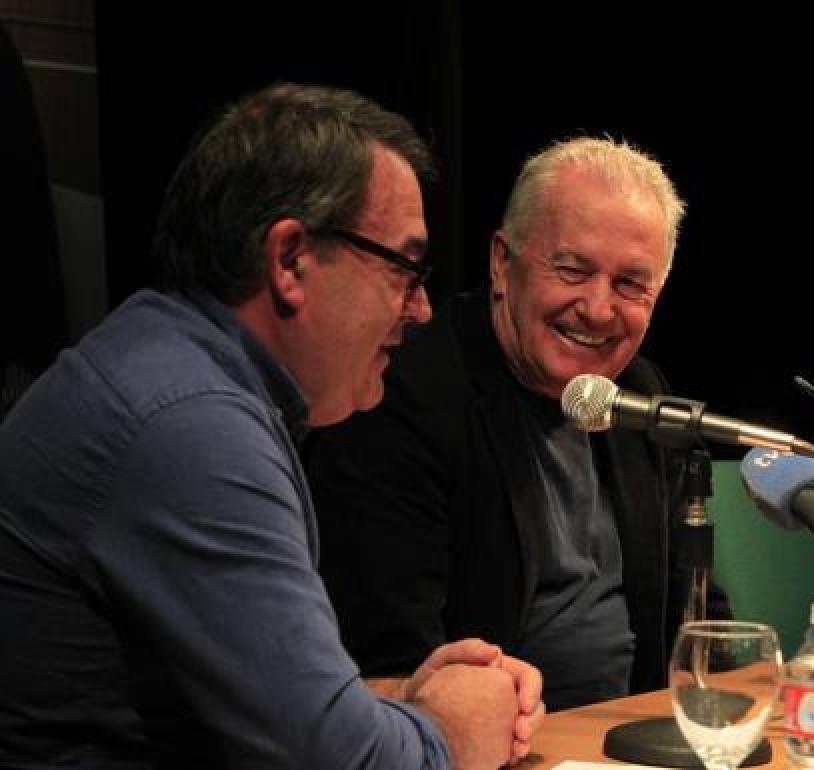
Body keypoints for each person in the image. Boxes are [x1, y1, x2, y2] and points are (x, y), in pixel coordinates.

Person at [0, 83, 542, 770]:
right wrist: (455, 727)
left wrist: (404, 697)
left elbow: (267, 714)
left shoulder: (175, 366)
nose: (423, 308)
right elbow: (339, 762)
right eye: (405, 268)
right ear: (290, 259)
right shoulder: (191, 425)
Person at [303, 136, 717, 712]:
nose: (598, 309)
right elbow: (390, 665)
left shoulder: (641, 396)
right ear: (502, 263)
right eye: (572, 270)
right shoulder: (399, 396)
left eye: (629, 285)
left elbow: (697, 617)